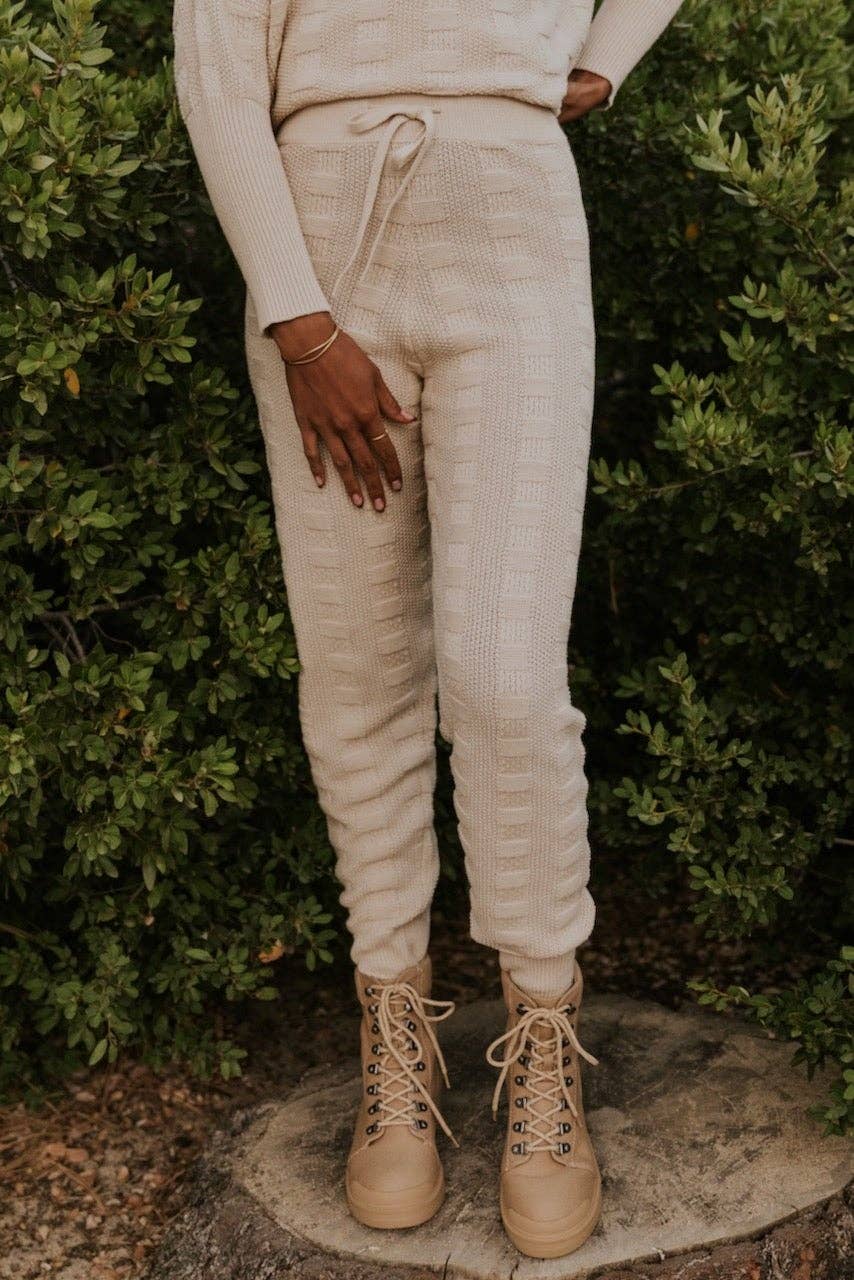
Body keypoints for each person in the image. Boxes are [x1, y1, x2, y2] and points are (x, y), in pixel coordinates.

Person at [171, 0, 684, 1260]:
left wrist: (602, 61)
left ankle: (542, 1035)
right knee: (357, 670)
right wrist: (300, 322)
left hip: (513, 227)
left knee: (505, 675)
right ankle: (393, 1036)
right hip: (319, 247)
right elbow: (218, 76)